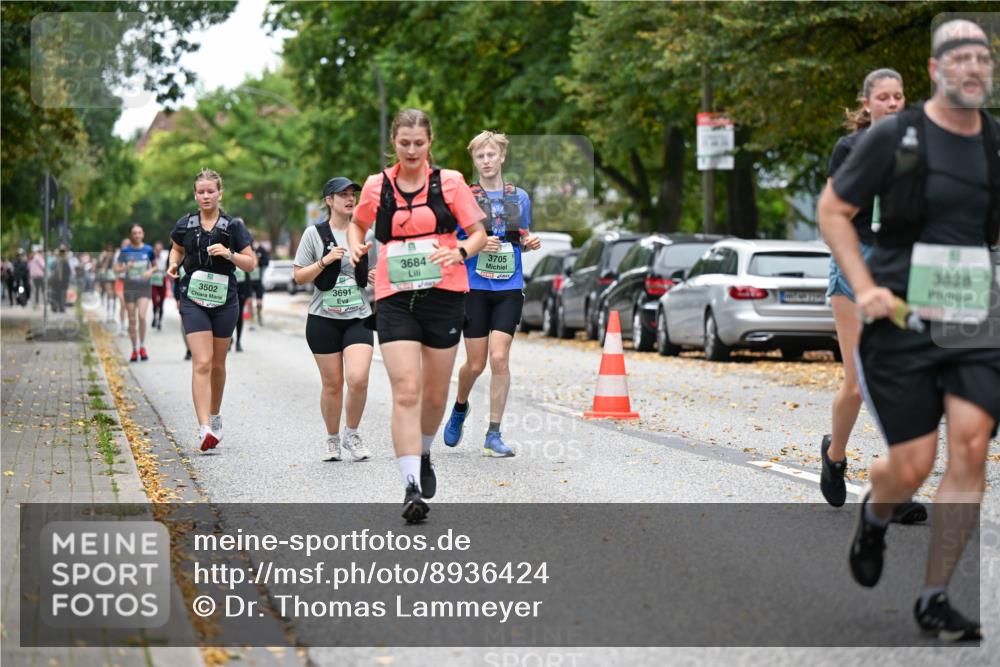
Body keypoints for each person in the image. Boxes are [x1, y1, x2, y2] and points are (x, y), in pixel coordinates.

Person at [818, 18, 998, 641]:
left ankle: (934, 595)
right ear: (935, 70)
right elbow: (832, 210)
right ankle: (875, 515)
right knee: (914, 462)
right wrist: (863, 285)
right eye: (960, 57)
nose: (973, 67)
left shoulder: (993, 143)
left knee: (972, 443)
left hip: (970, 313)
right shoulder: (896, 136)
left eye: (983, 56)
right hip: (897, 311)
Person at [349, 108, 488, 522]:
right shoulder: (377, 186)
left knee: (434, 393)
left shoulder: (450, 182)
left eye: (419, 143)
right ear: (393, 142)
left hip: (444, 292)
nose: (411, 150)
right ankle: (410, 485)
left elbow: (479, 233)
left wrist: (460, 250)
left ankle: (424, 452)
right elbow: (358, 224)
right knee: (406, 390)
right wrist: (358, 245)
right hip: (394, 295)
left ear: (430, 143)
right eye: (404, 143)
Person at [819, 69, 926, 524]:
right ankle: (835, 454)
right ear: (867, 104)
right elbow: (833, 213)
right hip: (854, 262)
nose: (892, 103)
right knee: (859, 384)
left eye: (898, 96)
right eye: (883, 97)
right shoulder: (850, 148)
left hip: (900, 262)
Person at [443, 131, 542, 456]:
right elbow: (453, 245)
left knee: (499, 358)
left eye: (491, 155)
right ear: (475, 161)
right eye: (480, 157)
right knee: (475, 364)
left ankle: (493, 433)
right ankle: (460, 407)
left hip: (509, 287)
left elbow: (519, 237)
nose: (486, 161)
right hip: (474, 287)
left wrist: (528, 243)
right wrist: (476, 244)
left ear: (501, 157)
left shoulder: (520, 198)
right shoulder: (464, 197)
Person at [166, 170, 256, 451]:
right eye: (201, 192)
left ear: (220, 193)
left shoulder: (233, 226)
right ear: (195, 194)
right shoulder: (186, 224)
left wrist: (229, 254)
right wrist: (172, 264)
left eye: (210, 191)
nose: (206, 196)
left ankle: (215, 416)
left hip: (224, 299)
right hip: (193, 298)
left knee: (217, 363)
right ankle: (204, 426)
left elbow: (250, 263)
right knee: (202, 361)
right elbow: (177, 250)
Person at [294, 177, 377, 462]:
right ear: (329, 200)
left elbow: (375, 271)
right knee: (332, 384)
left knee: (358, 378)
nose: (349, 198)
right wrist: (324, 261)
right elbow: (299, 275)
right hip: (323, 319)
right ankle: (332, 440)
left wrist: (374, 276)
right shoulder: (314, 234)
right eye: (342, 194)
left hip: (359, 316)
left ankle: (352, 433)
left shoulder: (366, 233)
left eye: (352, 193)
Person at [115, 226, 156, 361]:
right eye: (134, 233)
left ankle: (142, 346)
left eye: (139, 233)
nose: (137, 235)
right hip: (129, 287)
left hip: (144, 287)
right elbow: (116, 269)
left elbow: (155, 266)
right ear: (131, 235)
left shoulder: (149, 250)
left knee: (142, 317)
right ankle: (134, 349)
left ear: (143, 234)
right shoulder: (125, 251)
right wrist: (127, 267)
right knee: (132, 319)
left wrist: (149, 271)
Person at [250, 240, 269, 326]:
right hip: (249, 281)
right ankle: (251, 319)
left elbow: (266, 262)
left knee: (259, 301)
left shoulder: (261, 250)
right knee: (249, 301)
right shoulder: (247, 249)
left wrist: (259, 261)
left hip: (258, 280)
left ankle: (259, 316)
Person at [150, 241, 167, 330]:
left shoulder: (164, 257)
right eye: (156, 249)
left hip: (162, 280)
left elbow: (168, 269)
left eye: (160, 249)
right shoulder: (151, 258)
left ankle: (159, 321)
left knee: (161, 302)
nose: (158, 251)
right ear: (154, 249)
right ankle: (154, 316)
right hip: (153, 281)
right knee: (154, 300)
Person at [49, 246, 72, 313]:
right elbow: (68, 272)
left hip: (58, 281)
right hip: (59, 281)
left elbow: (52, 269)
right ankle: (59, 307)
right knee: (60, 294)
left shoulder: (57, 260)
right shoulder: (63, 260)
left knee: (57, 294)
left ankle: (57, 307)